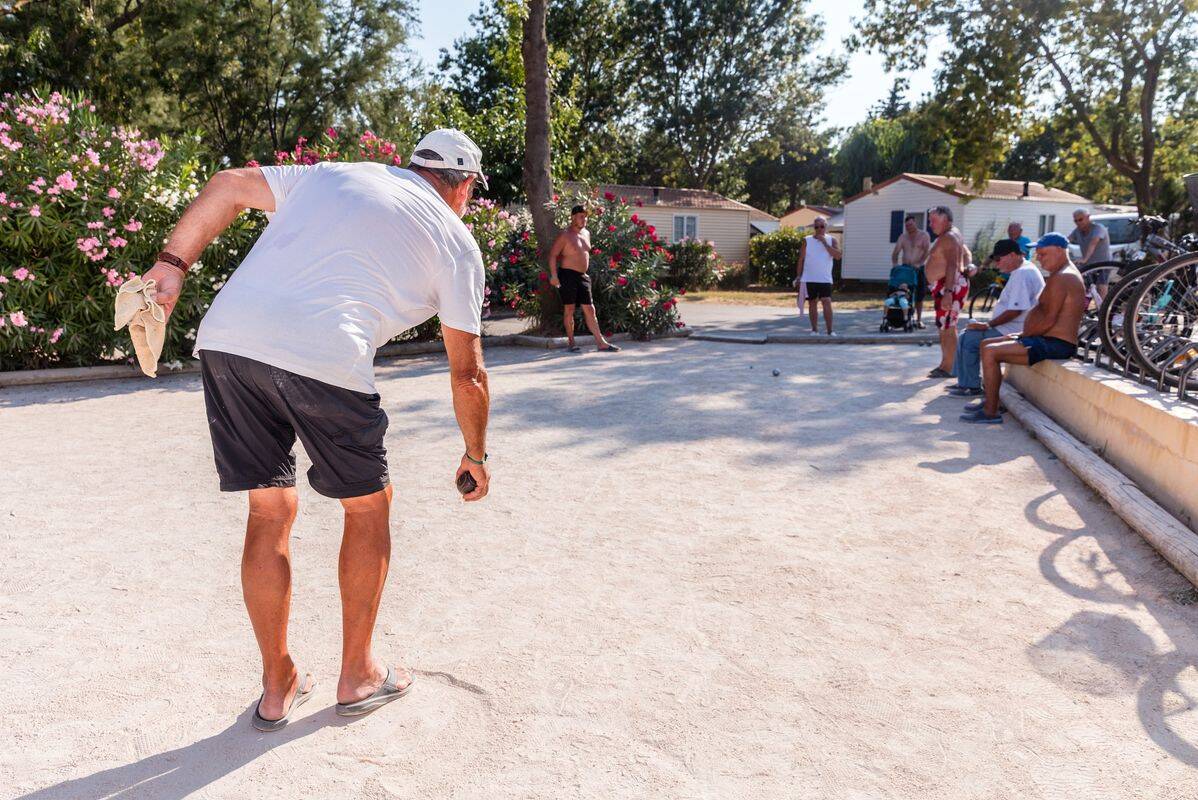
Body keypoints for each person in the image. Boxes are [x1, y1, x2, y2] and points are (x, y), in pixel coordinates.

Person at [138, 128, 493, 731]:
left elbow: (227, 185)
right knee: (366, 507)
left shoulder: (339, 174)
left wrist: (170, 268)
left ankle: (278, 687)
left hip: (230, 340)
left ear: (414, 167)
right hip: (326, 355)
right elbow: (469, 374)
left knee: (270, 510)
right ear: (462, 186)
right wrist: (475, 454)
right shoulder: (456, 242)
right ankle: (358, 675)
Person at [962, 233, 1087, 423]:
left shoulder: (1064, 277)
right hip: (1047, 338)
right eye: (1038, 254)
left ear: (1060, 251)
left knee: (990, 352)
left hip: (1055, 343)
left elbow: (1049, 319)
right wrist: (1020, 335)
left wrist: (1023, 335)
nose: (1039, 259)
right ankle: (991, 400)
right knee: (986, 344)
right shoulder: (1060, 275)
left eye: (1043, 254)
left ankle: (990, 412)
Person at [947, 239, 1044, 397]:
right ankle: (964, 382)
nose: (997, 265)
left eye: (999, 259)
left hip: (1016, 330)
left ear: (1013, 255)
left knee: (969, 338)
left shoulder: (1022, 274)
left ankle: (971, 386)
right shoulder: (1022, 270)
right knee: (966, 334)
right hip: (1014, 326)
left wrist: (987, 325)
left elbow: (1015, 310)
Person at [549, 205, 620, 353]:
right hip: (567, 275)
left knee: (590, 309)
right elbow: (553, 255)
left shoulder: (586, 233)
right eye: (581, 216)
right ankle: (571, 342)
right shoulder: (565, 235)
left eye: (585, 216)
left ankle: (601, 343)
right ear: (573, 217)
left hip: (583, 276)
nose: (584, 219)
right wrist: (554, 275)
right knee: (569, 309)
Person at [923, 205, 970, 377]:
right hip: (945, 285)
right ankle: (946, 364)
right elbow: (966, 253)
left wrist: (948, 292)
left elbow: (951, 265)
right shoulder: (952, 234)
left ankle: (950, 367)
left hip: (949, 286)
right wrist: (969, 265)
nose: (930, 224)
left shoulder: (949, 237)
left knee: (948, 327)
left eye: (933, 220)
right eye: (930, 220)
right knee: (945, 326)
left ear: (946, 220)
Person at [795, 216, 842, 335]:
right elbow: (801, 259)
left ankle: (830, 331)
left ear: (826, 227)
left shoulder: (832, 240)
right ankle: (814, 330)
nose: (819, 229)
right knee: (812, 303)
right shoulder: (807, 240)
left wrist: (825, 243)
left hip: (825, 278)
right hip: (809, 278)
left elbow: (837, 256)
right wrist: (798, 276)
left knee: (826, 301)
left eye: (822, 226)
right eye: (816, 227)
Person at [891, 214, 931, 327]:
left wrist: (919, 263)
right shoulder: (903, 237)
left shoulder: (924, 235)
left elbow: (927, 252)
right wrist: (895, 264)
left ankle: (919, 320)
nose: (909, 227)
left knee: (919, 295)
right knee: (904, 294)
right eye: (907, 225)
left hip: (918, 268)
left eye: (911, 224)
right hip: (905, 269)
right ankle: (904, 317)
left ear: (915, 223)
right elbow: (895, 252)